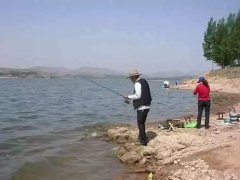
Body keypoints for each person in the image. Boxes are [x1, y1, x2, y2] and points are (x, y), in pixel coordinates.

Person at [123, 69, 152, 146]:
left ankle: (143, 142)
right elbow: (142, 96)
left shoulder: (137, 83)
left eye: (130, 78)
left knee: (140, 124)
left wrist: (128, 96)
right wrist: (129, 101)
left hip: (142, 108)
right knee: (142, 123)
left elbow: (138, 96)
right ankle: (142, 137)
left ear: (134, 77)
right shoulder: (144, 81)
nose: (130, 79)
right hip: (147, 106)